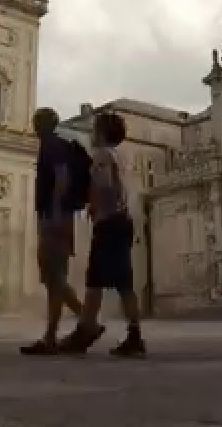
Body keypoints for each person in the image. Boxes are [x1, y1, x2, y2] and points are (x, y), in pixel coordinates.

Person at [58, 111, 146, 358]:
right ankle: (132, 334)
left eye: (95, 129)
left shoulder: (103, 155)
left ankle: (85, 332)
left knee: (95, 279)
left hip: (109, 223)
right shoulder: (121, 155)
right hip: (123, 222)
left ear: (102, 133)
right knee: (122, 282)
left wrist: (93, 202)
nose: (92, 133)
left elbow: (106, 184)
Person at [20, 108, 87, 354]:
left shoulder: (51, 146)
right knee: (54, 278)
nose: (34, 126)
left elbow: (61, 177)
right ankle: (61, 331)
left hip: (55, 217)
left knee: (53, 276)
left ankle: (80, 323)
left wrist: (55, 214)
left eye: (36, 121)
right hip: (57, 216)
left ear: (41, 124)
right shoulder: (56, 145)